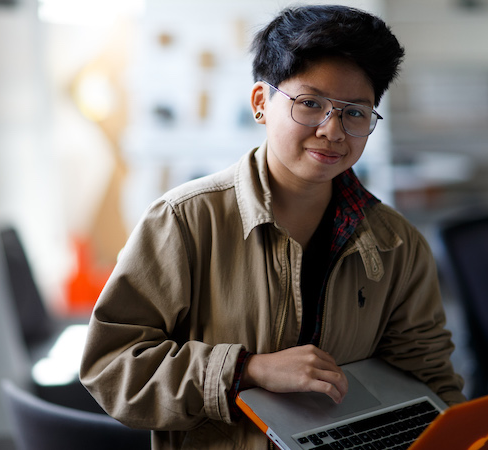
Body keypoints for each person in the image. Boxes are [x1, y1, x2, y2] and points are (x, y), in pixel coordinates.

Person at [80, 5, 465, 449]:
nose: (332, 130)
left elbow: (430, 378)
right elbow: (111, 366)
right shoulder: (184, 221)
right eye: (310, 104)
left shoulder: (397, 243)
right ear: (262, 104)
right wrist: (248, 370)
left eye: (355, 113)